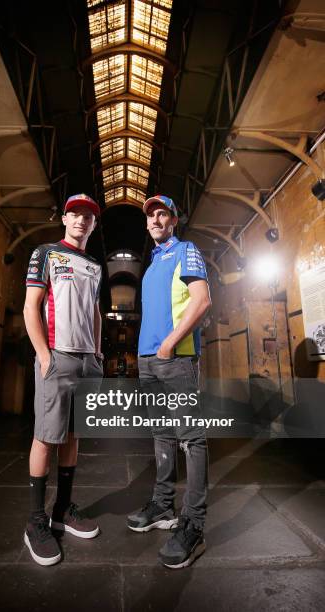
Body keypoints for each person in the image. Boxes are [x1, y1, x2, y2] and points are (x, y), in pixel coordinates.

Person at [127, 194, 211, 569]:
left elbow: (202, 300)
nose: (157, 220)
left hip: (175, 360)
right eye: (152, 215)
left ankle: (193, 524)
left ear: (174, 220)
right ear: (147, 224)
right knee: (161, 434)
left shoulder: (185, 250)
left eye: (163, 214)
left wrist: (168, 345)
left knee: (191, 440)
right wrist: (146, 354)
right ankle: (163, 506)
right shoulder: (151, 265)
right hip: (149, 363)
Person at [23, 193, 104, 566]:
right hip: (57, 357)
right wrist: (43, 355)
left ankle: (62, 510)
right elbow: (31, 307)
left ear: (93, 223)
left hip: (88, 362)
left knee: (73, 435)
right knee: (45, 436)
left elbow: (96, 312)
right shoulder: (46, 253)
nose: (81, 220)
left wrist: (99, 354)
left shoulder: (94, 264)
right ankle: (36, 522)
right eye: (75, 214)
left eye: (88, 216)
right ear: (65, 219)